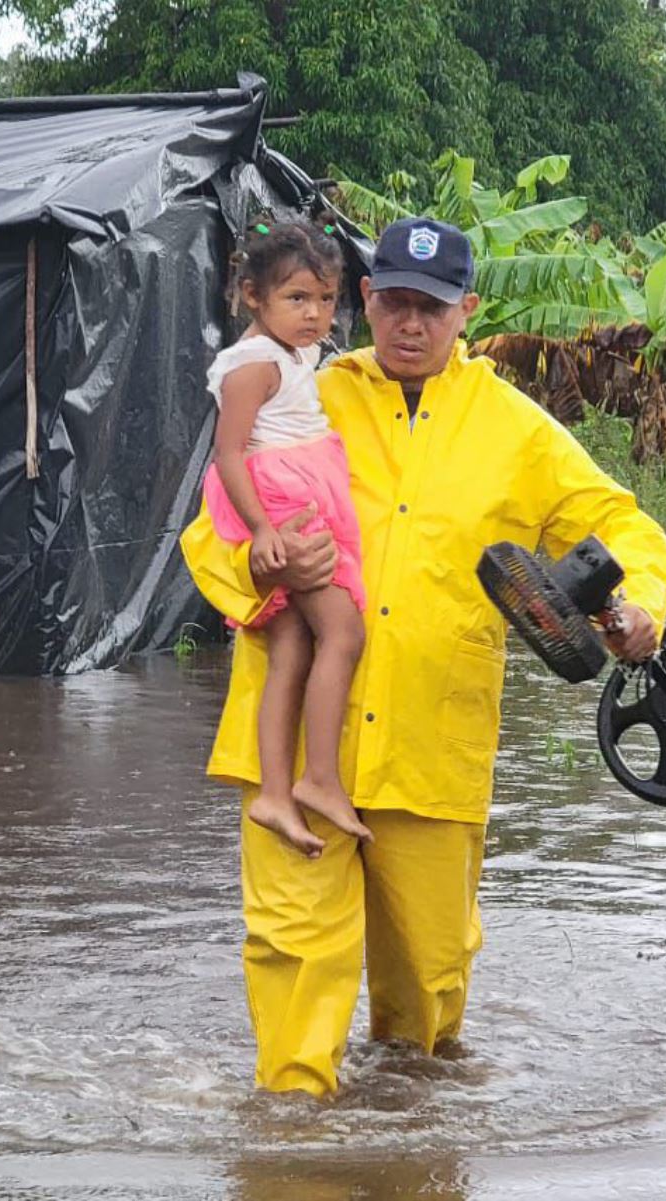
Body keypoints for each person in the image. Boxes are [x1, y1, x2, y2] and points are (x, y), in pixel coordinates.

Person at [180, 216, 666, 1096]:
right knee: (296, 955)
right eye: (395, 303)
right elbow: (212, 519)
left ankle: (409, 1148)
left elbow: (619, 523)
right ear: (364, 301)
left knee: (428, 996)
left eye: (433, 308)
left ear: (467, 312)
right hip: (293, 750)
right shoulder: (306, 390)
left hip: (431, 750)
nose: (412, 324)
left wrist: (637, 607)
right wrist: (262, 565)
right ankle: (293, 1142)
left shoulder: (515, 431)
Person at [202, 219, 375, 858]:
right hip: (275, 498)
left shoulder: (295, 354)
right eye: (297, 299)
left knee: (294, 645)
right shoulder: (253, 365)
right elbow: (227, 455)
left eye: (327, 300)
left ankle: (276, 792)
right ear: (253, 296)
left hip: (293, 488)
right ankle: (320, 777)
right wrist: (264, 530)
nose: (315, 315)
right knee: (344, 631)